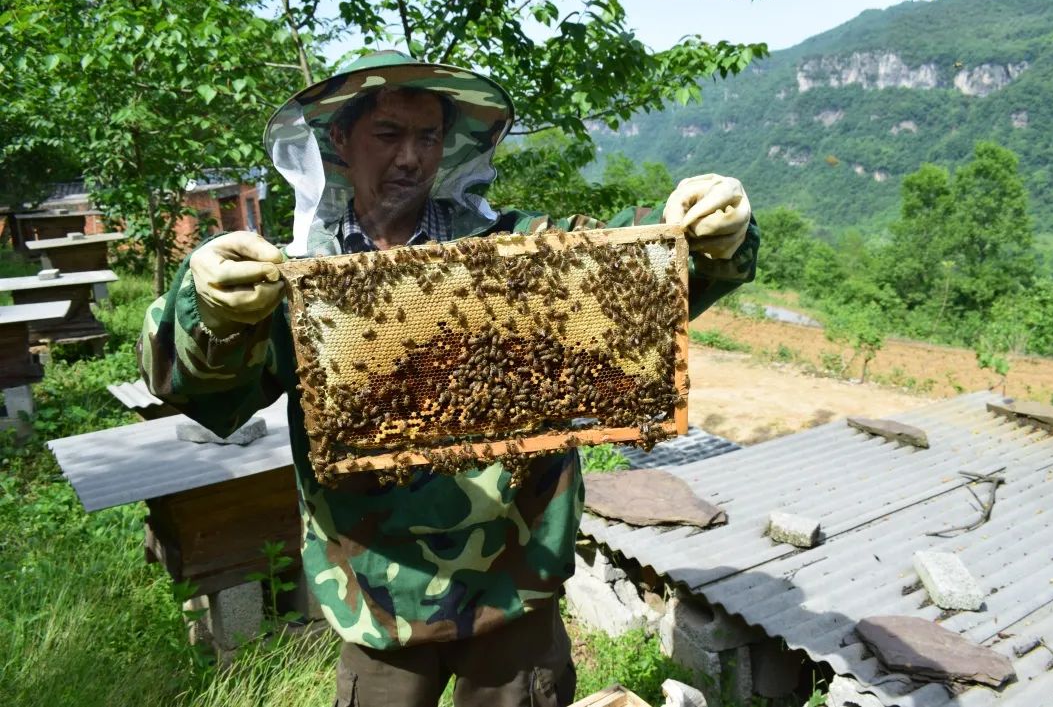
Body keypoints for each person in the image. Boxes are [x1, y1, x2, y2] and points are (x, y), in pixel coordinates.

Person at [138, 50, 759, 707]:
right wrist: (206, 307)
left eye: (428, 136)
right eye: (388, 133)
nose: (410, 156)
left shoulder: (511, 252)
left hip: (514, 589)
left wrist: (709, 236)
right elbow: (198, 388)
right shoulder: (295, 276)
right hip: (374, 595)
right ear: (340, 140)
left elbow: (635, 280)